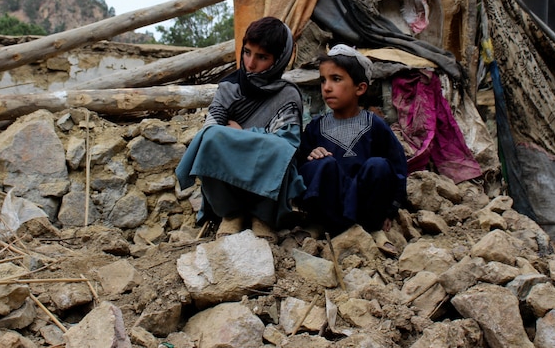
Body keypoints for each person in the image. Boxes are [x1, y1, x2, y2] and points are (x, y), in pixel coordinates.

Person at [175, 16, 306, 241]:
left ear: (279, 59)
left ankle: (262, 217)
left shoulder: (288, 95)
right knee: (211, 139)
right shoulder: (229, 87)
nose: (250, 63)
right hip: (230, 181)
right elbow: (212, 128)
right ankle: (231, 214)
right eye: (247, 52)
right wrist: (253, 138)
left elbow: (287, 145)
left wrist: (240, 134)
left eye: (262, 57)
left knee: (278, 150)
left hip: (267, 184)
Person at [296, 44, 408, 255]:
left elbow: (397, 168)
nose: (326, 87)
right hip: (329, 208)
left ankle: (372, 229)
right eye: (323, 80)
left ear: (360, 88)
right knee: (322, 163)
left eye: (336, 79)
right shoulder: (314, 128)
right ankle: (319, 225)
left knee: (379, 166)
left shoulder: (375, 125)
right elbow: (299, 169)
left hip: (365, 208)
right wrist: (312, 158)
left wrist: (390, 209)